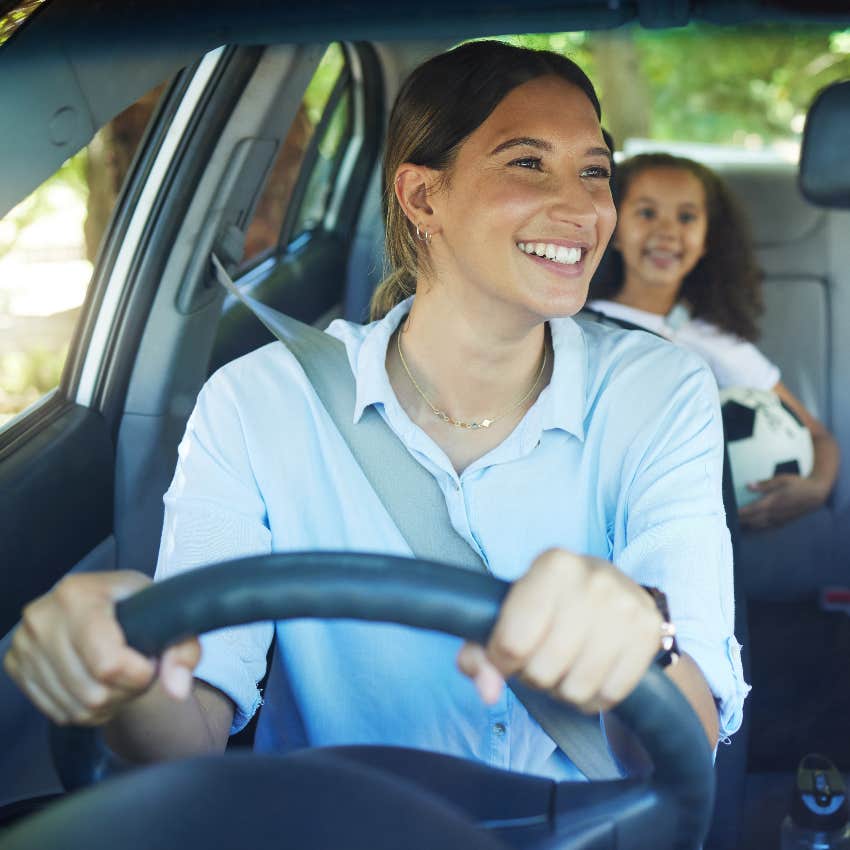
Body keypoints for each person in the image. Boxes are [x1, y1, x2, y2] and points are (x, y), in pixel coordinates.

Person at [4, 43, 745, 780]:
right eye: (528, 163)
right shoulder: (257, 405)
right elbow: (190, 728)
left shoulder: (660, 390)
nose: (584, 207)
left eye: (594, 171)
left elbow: (690, 737)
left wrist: (640, 649)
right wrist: (125, 675)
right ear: (423, 198)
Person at [588, 152, 839, 531]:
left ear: (707, 239)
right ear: (614, 228)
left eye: (686, 217)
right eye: (646, 213)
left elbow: (818, 436)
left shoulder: (714, 341)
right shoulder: (574, 319)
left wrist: (816, 488)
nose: (667, 231)